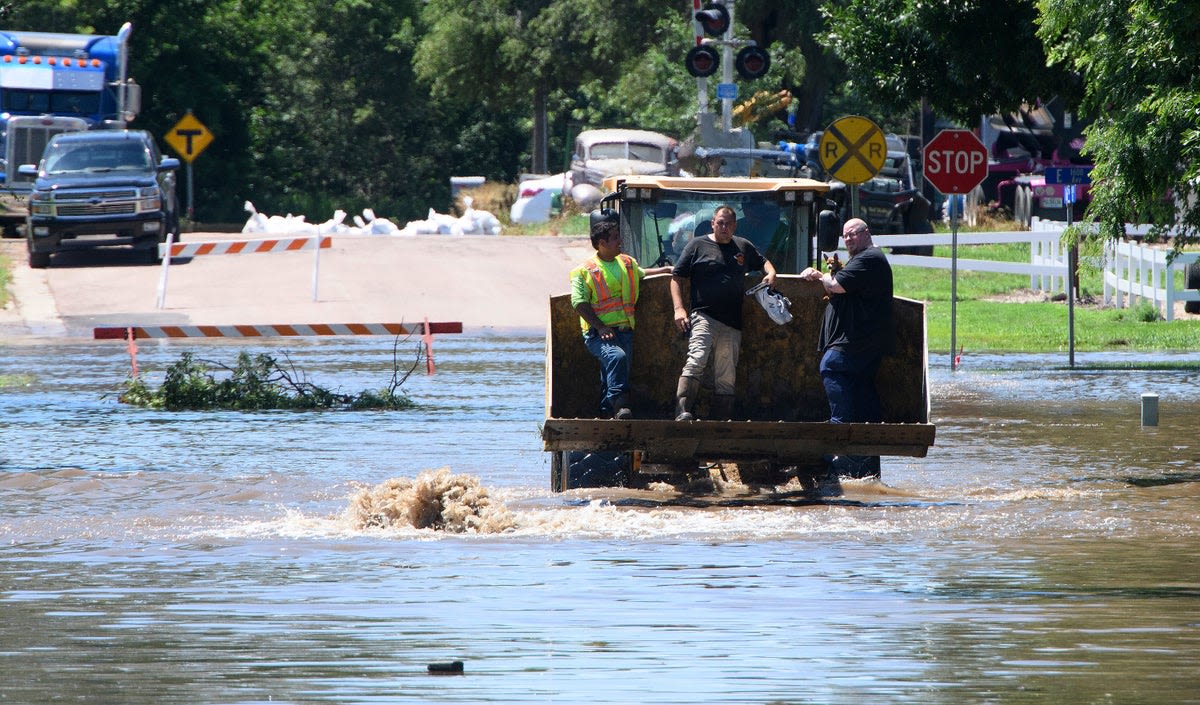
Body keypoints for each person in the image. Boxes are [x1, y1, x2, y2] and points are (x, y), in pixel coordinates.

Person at [800, 217, 894, 476]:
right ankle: (862, 462)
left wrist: (819, 276)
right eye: (846, 235)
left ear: (867, 233)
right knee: (861, 390)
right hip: (862, 342)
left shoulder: (869, 259)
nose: (849, 239)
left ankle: (839, 438)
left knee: (832, 366)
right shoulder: (861, 261)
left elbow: (836, 285)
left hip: (855, 342)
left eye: (854, 234)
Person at [670, 204, 777, 421]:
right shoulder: (696, 245)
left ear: (735, 225)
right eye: (720, 222)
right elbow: (676, 277)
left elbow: (764, 262)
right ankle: (682, 411)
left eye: (728, 223)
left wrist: (771, 273)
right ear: (713, 223)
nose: (724, 227)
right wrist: (679, 308)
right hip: (703, 316)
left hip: (732, 321)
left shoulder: (742, 246)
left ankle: (720, 421)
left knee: (727, 373)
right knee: (696, 359)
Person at [570, 209, 671, 419]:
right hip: (599, 334)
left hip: (625, 330)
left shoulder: (626, 262)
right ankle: (621, 405)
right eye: (615, 238)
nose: (620, 242)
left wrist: (666, 270)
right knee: (617, 357)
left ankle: (607, 415)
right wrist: (600, 326)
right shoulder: (584, 271)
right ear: (601, 243)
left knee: (613, 372)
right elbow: (579, 303)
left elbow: (641, 273)